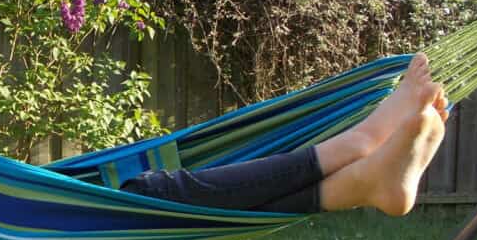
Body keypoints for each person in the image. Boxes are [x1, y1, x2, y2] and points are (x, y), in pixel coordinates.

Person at [120, 53, 448, 216]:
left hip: (96, 219)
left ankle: (362, 181)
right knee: (143, 197)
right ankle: (358, 148)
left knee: (140, 199)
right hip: (104, 213)